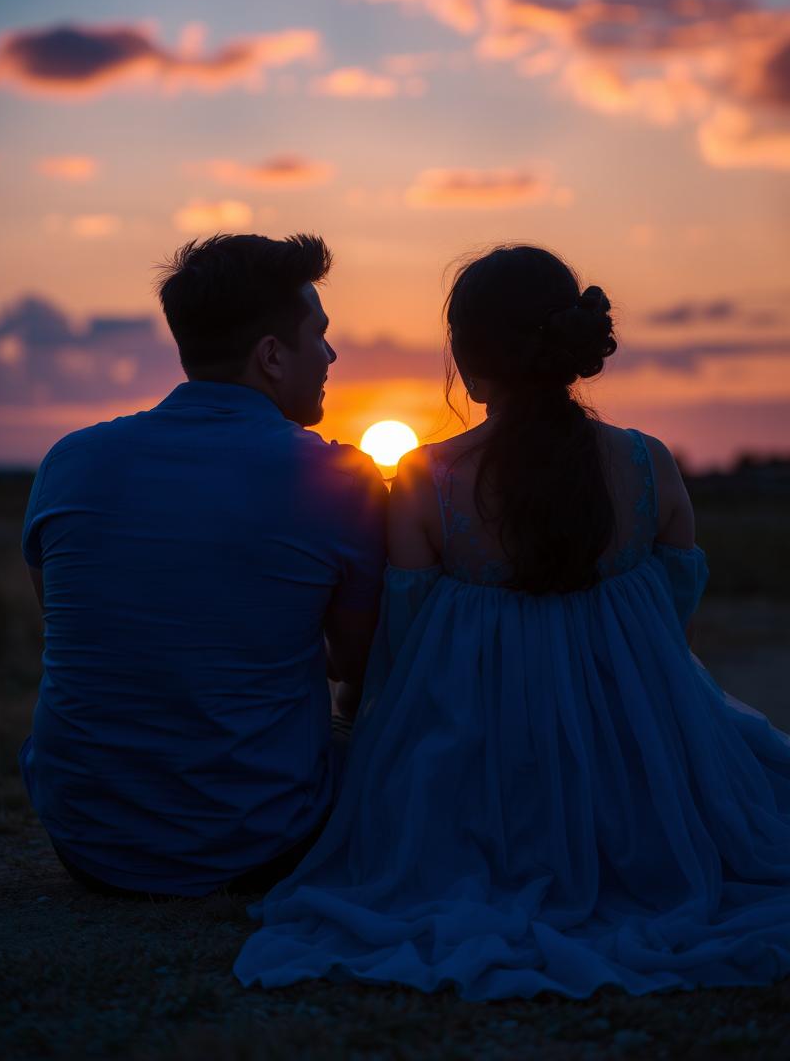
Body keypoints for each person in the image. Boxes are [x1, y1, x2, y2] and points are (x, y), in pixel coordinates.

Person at [235, 244, 790, 1000]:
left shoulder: (427, 482)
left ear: (465, 357)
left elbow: (405, 640)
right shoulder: (650, 464)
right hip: (641, 756)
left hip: (477, 770)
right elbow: (669, 621)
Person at [19, 233, 387, 901]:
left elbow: (78, 625)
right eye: (320, 336)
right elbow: (360, 663)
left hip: (85, 843)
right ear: (272, 356)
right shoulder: (336, 478)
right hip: (260, 844)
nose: (331, 355)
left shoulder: (69, 461)